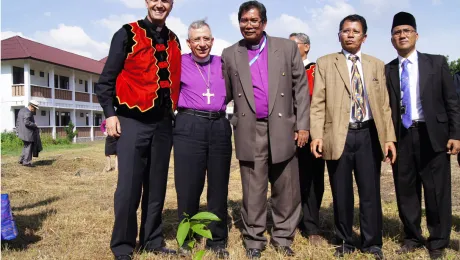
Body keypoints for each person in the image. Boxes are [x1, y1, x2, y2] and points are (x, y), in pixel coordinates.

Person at [221, 1, 310, 258]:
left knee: (285, 185)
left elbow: (301, 89)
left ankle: (283, 236)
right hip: (250, 128)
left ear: (264, 23)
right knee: (253, 188)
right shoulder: (230, 53)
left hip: (283, 126)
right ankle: (254, 239)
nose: (248, 25)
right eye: (244, 21)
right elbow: (224, 92)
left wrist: (303, 125)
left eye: (253, 20)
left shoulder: (286, 47)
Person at [95, 0, 181, 259]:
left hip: (164, 124)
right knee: (129, 187)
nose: (159, 4)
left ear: (171, 4)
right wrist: (110, 115)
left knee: (156, 187)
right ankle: (122, 246)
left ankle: (152, 240)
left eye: (165, 0)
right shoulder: (126, 33)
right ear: (146, 2)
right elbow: (106, 81)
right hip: (132, 121)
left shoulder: (175, 39)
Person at [310, 14, 397, 259]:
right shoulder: (326, 62)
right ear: (339, 35)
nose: (350, 35)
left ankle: (372, 243)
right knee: (341, 192)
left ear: (364, 36)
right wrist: (317, 135)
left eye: (355, 31)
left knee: (370, 192)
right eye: (345, 30)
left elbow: (385, 106)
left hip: (369, 134)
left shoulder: (376, 64)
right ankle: (345, 241)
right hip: (338, 135)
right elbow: (317, 103)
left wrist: (389, 138)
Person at [385, 12, 460, 259]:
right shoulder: (388, 70)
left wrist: (455, 134)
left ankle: (438, 240)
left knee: (437, 190)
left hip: (433, 134)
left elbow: (452, 102)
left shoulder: (436, 63)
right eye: (397, 32)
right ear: (392, 39)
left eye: (406, 31)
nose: (402, 35)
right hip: (402, 136)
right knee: (406, 189)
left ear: (416, 35)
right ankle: (412, 237)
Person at [173, 20, 231, 259]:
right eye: (197, 39)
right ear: (189, 43)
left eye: (206, 38)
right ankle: (186, 237)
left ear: (212, 41)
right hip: (189, 124)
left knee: (218, 186)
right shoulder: (179, 63)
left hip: (219, 124)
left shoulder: (223, 64)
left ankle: (217, 240)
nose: (202, 43)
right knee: (188, 186)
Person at [289, 32, 325, 245]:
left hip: (310, 133)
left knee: (312, 180)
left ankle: (311, 225)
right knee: (287, 181)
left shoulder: (315, 70)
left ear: (307, 47)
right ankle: (288, 221)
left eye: (295, 45)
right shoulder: (282, 70)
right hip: (285, 132)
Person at [16, 100, 40, 167]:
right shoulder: (28, 112)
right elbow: (27, 122)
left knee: (26, 146)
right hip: (27, 133)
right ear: (31, 106)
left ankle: (21, 159)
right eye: (35, 108)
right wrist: (34, 125)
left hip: (21, 132)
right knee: (29, 147)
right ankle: (26, 162)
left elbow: (18, 121)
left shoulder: (22, 110)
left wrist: (17, 131)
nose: (35, 110)